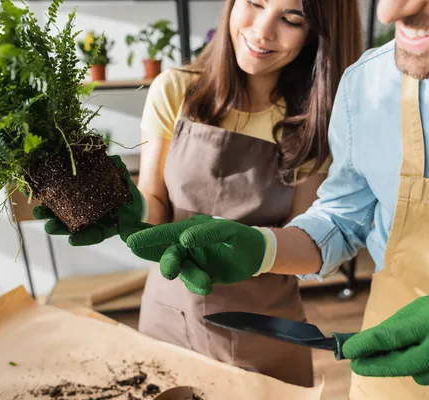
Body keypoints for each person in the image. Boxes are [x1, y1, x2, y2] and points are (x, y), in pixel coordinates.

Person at [126, 0, 429, 398]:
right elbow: (340, 221)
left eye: (290, 18)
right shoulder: (372, 83)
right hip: (392, 384)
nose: (388, 12)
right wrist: (264, 248)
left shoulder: (310, 113)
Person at [35, 0, 362, 387]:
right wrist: (127, 211)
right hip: (169, 313)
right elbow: (154, 200)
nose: (262, 30)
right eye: (255, 3)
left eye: (291, 20)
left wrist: (252, 248)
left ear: (315, 36)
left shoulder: (315, 119)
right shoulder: (176, 89)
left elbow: (308, 245)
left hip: (264, 329)